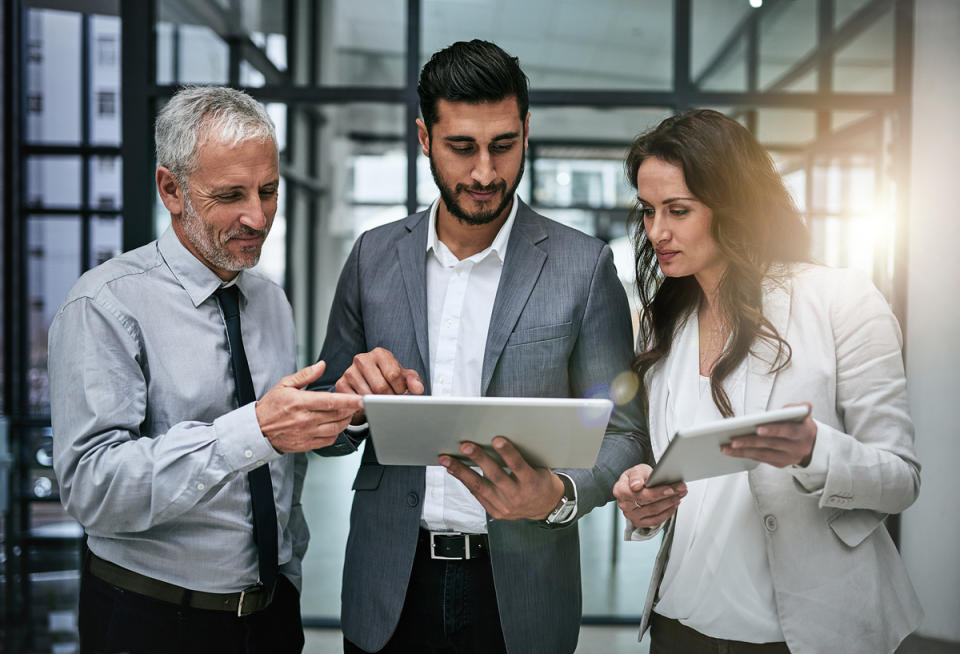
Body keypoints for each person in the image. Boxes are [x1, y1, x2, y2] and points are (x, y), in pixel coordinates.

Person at [311, 40, 649, 654]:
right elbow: (327, 431)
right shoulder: (372, 256)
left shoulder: (583, 267)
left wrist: (558, 496)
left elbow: (624, 434)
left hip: (522, 592)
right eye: (461, 147)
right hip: (390, 583)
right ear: (423, 137)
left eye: (504, 145)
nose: (485, 173)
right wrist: (346, 401)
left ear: (527, 130)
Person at [48, 85, 363, 653]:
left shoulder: (270, 299)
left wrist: (349, 409)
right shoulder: (104, 305)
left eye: (269, 190)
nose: (259, 215)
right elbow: (92, 487)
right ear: (172, 189)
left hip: (268, 616)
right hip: (152, 620)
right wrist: (252, 432)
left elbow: (278, 466)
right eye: (231, 194)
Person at [613, 109, 923, 654]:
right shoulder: (668, 328)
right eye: (648, 211)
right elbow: (686, 476)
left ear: (734, 205)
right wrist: (645, 497)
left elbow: (900, 479)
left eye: (678, 211)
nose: (656, 232)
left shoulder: (840, 301)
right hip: (680, 624)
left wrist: (814, 451)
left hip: (801, 634)